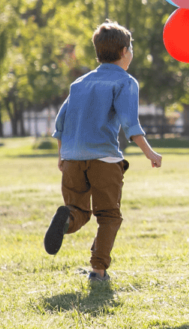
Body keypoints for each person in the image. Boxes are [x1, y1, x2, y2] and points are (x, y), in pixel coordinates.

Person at [44, 20, 163, 283]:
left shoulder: (80, 83)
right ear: (124, 51)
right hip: (104, 159)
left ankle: (67, 218)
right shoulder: (125, 82)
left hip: (73, 158)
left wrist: (62, 155)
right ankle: (97, 271)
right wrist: (150, 153)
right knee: (109, 216)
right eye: (131, 48)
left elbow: (60, 123)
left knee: (79, 210)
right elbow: (131, 125)